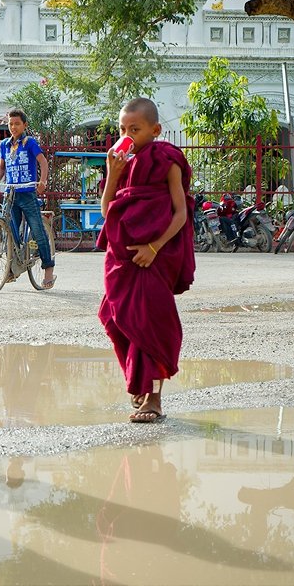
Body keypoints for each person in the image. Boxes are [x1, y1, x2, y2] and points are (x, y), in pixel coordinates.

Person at [98, 98, 195, 423]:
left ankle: (154, 399)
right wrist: (113, 174)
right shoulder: (121, 163)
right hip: (122, 258)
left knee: (148, 323)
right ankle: (138, 382)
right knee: (116, 318)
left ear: (155, 130)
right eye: (123, 129)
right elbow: (106, 211)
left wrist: (154, 247)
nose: (128, 135)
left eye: (135, 129)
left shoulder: (166, 160)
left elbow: (180, 214)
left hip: (154, 257)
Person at [0, 109, 56, 289]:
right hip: (10, 194)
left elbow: (43, 162)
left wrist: (42, 181)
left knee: (37, 231)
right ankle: (11, 269)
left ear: (24, 125)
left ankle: (48, 269)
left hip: (27, 193)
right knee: (9, 231)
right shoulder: (4, 144)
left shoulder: (30, 143)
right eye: (10, 124)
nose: (13, 127)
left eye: (17, 124)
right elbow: (2, 168)